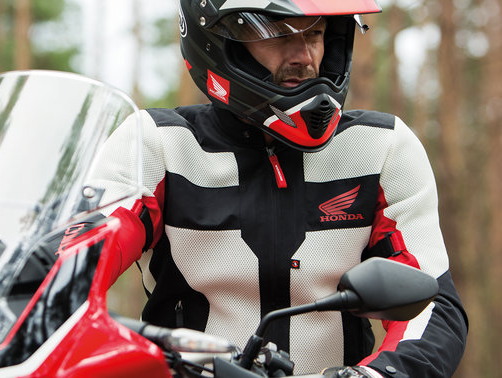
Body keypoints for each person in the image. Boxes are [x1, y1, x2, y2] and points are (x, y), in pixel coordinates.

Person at [93, 1, 468, 377]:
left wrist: (376, 375)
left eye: (316, 33)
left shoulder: (381, 147)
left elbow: (432, 304)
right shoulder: (157, 145)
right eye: (277, 32)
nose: (304, 56)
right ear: (216, 38)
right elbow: (74, 260)